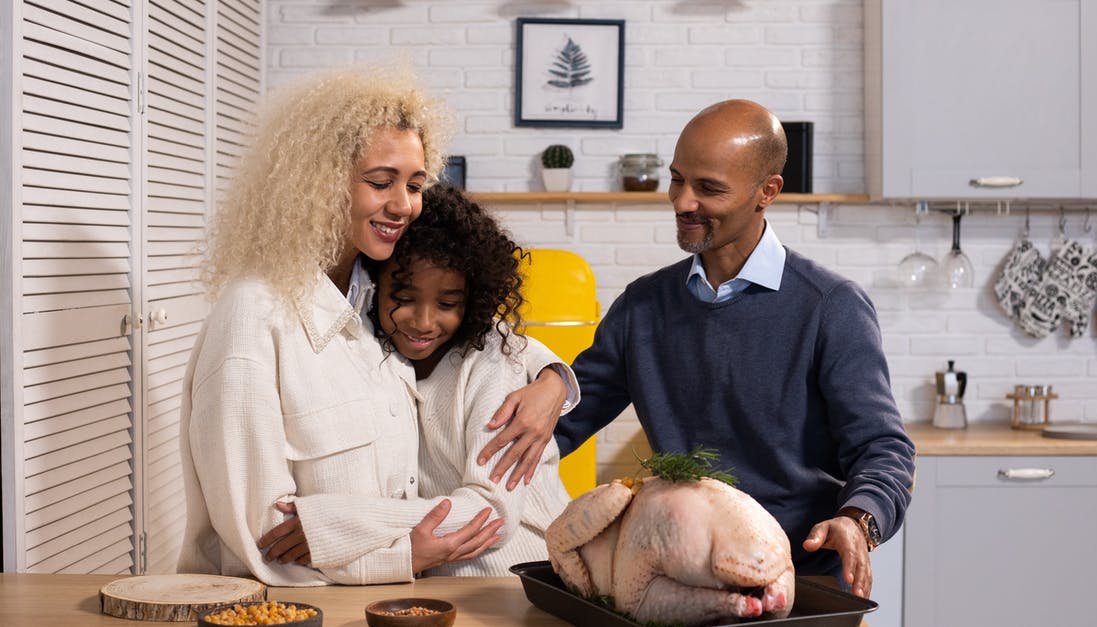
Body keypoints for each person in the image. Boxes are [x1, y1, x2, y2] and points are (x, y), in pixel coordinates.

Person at [178, 63, 572, 586]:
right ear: (316, 183)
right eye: (380, 182)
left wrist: (553, 379)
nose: (404, 205)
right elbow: (264, 534)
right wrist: (402, 556)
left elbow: (480, 339)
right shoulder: (255, 316)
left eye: (415, 183)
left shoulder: (375, 298)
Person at [553, 99, 916, 598]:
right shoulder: (642, 306)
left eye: (708, 188)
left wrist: (858, 519)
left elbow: (882, 448)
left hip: (801, 580)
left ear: (766, 192)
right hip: (678, 581)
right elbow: (562, 418)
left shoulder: (830, 306)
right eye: (677, 179)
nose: (682, 202)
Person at [363, 185, 572, 575]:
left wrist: (348, 524)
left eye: (447, 304)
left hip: (519, 568)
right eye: (404, 298)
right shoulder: (375, 351)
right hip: (433, 566)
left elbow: (492, 512)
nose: (423, 322)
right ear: (374, 287)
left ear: (473, 300)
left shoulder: (491, 361)